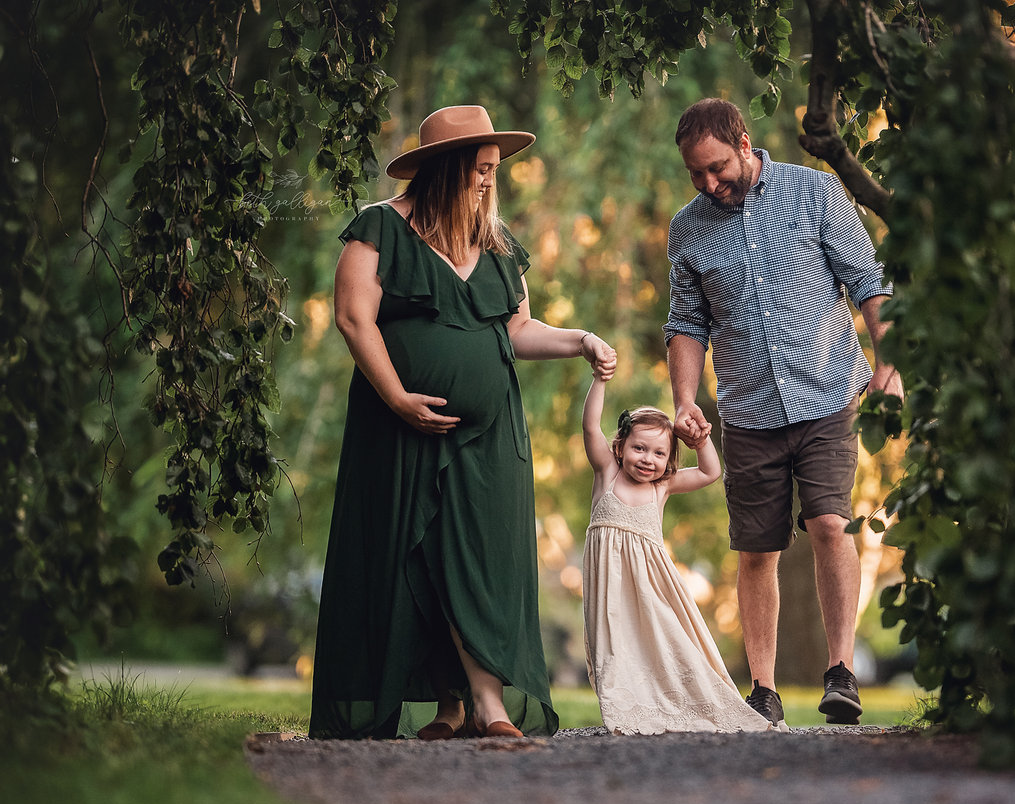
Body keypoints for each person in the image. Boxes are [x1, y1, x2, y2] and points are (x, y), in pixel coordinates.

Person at [309, 105, 617, 740]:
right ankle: (453, 702)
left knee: (481, 556)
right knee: (411, 558)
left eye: (494, 170)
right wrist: (397, 398)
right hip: (397, 426)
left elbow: (518, 329)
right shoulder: (379, 229)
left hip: (490, 432)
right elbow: (352, 318)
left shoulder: (498, 247)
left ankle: (486, 703)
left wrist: (579, 339)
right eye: (479, 169)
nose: (488, 181)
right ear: (445, 169)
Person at [664, 97, 904, 728]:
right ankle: (764, 691)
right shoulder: (688, 228)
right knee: (755, 550)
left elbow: (869, 281)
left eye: (716, 167)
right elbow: (687, 323)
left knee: (830, 523)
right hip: (746, 409)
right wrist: (686, 400)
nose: (709, 184)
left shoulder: (815, 192)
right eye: (696, 174)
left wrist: (890, 364)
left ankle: (841, 673)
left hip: (828, 395)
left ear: (744, 143)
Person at [580, 374, 773, 734]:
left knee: (664, 642)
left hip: (653, 589)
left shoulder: (662, 487)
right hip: (611, 591)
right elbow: (590, 425)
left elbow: (709, 471)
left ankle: (678, 697)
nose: (647, 459)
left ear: (669, 459)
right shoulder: (607, 473)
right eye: (639, 448)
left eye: (658, 453)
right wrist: (600, 379)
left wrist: (700, 440)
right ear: (620, 447)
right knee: (618, 646)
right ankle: (628, 704)